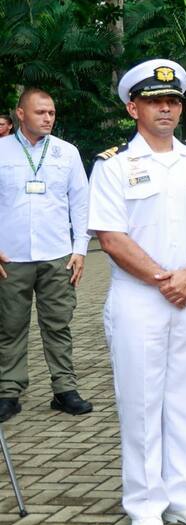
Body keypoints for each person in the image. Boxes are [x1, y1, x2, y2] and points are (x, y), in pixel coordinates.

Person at [88, 59, 186, 525]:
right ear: (134, 107)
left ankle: (184, 495)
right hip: (139, 299)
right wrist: (163, 279)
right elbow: (110, 237)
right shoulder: (113, 166)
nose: (167, 108)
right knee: (141, 399)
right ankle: (145, 503)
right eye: (155, 101)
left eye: (173, 100)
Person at [0, 88, 92, 423]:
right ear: (20, 114)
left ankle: (64, 390)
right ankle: (9, 392)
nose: (48, 118)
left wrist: (80, 249)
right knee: (10, 326)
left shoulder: (66, 153)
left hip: (57, 255)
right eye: (40, 112)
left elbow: (81, 204)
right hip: (11, 257)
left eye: (52, 113)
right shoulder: (1, 151)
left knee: (58, 324)